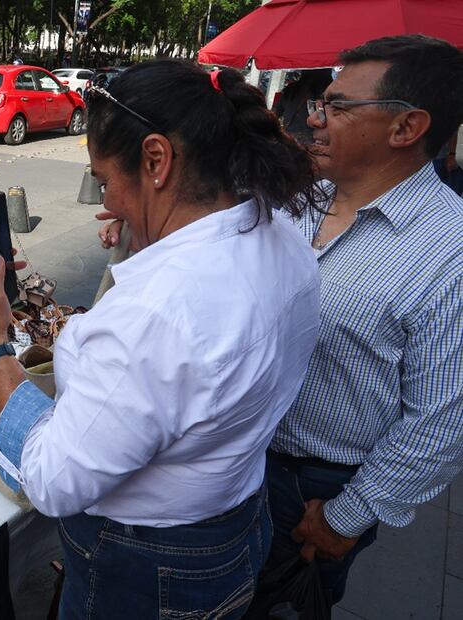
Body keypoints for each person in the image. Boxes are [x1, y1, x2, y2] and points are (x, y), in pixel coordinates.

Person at [0, 60, 323, 619]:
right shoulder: (280, 234)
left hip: (151, 565)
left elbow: (51, 480)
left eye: (106, 180)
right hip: (234, 524)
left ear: (156, 160)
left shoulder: (156, 314)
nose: (107, 202)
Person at [257, 34, 463, 611]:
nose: (314, 119)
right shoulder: (302, 201)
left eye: (338, 106)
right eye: (321, 102)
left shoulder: (449, 251)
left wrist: (347, 517)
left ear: (406, 128)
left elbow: (441, 420)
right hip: (241, 456)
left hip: (315, 492)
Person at [274, 69, 333, 145]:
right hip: (314, 141)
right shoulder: (326, 92)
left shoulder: (290, 89)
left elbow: (275, 113)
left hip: (289, 139)